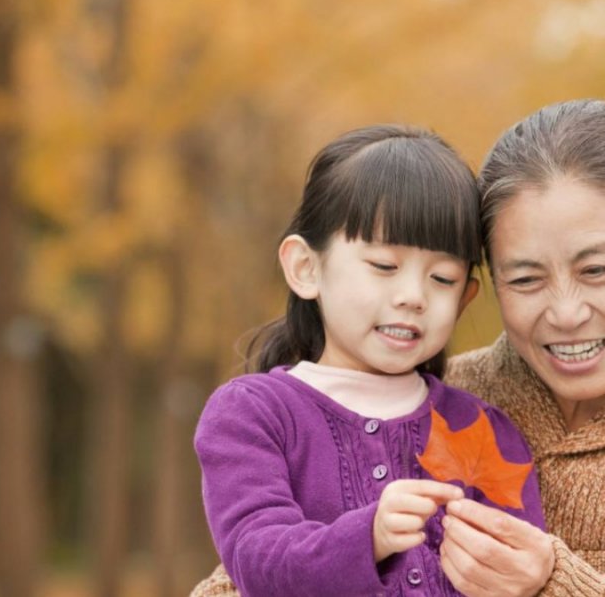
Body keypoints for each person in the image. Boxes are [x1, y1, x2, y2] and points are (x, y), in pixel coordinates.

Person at [192, 100, 605, 596]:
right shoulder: (431, 400)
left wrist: (554, 583)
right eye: (526, 279)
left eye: (596, 270)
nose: (564, 312)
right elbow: (246, 576)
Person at [193, 124, 546, 597]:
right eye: (384, 266)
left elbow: (517, 566)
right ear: (306, 267)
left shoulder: (483, 429)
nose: (412, 297)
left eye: (442, 279)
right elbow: (256, 560)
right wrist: (367, 537)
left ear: (465, 299)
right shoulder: (254, 415)